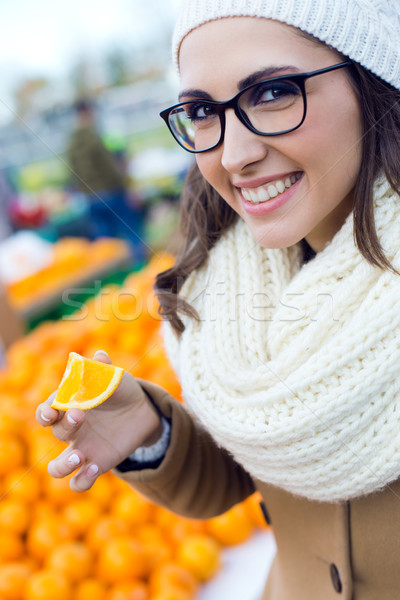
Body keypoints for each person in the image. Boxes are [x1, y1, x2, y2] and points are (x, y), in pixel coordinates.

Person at [37, 1, 400, 598]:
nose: (233, 156)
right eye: (203, 111)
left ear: (373, 82)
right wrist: (150, 432)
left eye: (274, 92)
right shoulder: (224, 275)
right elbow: (261, 467)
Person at [67, 99, 147, 262]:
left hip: (90, 197)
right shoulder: (93, 137)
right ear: (87, 112)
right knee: (131, 232)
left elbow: (72, 173)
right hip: (110, 192)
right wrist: (127, 187)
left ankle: (114, 273)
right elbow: (110, 168)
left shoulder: (72, 143)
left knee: (105, 242)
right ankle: (141, 268)